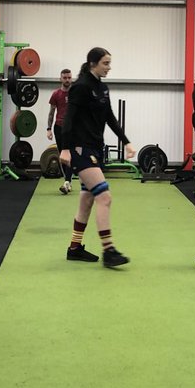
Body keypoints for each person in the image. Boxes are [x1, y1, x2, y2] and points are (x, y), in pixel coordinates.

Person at [60, 47, 135, 268]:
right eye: (105, 63)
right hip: (81, 150)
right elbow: (68, 120)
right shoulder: (80, 87)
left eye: (109, 63)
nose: (109, 67)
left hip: (96, 148)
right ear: (93, 63)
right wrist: (65, 149)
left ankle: (74, 248)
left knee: (87, 200)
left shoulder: (102, 88)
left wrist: (126, 141)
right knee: (105, 197)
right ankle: (109, 250)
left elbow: (110, 118)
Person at [46, 68, 74, 195]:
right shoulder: (56, 94)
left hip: (73, 128)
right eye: (65, 78)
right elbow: (51, 113)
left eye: (69, 77)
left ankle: (67, 182)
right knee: (62, 156)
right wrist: (48, 129)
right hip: (59, 127)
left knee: (71, 154)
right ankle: (68, 181)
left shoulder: (75, 93)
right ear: (60, 79)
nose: (67, 80)